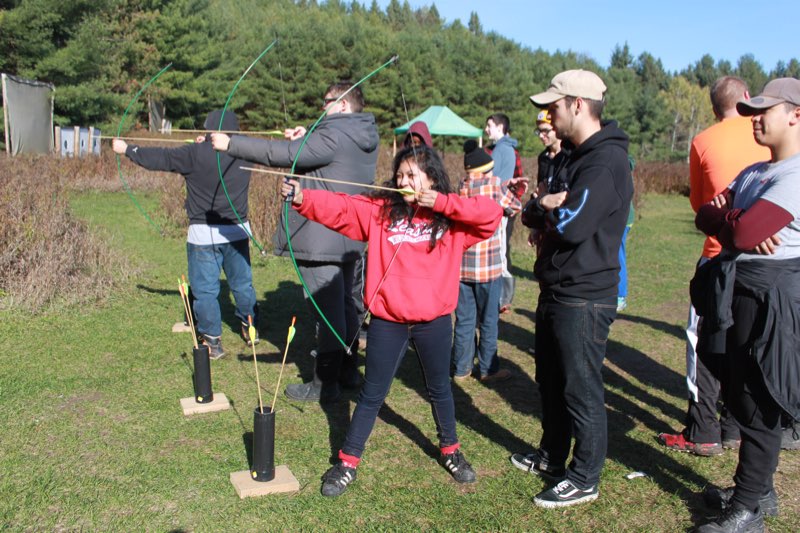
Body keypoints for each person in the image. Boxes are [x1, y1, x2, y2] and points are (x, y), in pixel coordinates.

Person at [279, 145, 503, 497]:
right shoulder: (382, 211)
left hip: (434, 321)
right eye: (400, 175)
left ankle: (451, 451)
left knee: (440, 390)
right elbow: (343, 208)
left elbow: (491, 214)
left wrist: (441, 203)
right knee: (372, 394)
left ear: (431, 178)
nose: (403, 181)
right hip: (388, 320)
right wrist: (302, 196)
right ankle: (348, 461)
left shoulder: (451, 220)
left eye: (412, 174)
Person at [212, 81, 378, 403]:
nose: (321, 108)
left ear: (343, 105)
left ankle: (323, 385)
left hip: (322, 239)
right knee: (345, 307)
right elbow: (326, 162)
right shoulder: (363, 134)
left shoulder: (334, 134)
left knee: (330, 315)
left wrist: (230, 143)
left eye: (326, 102)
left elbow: (281, 154)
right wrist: (307, 139)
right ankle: (346, 371)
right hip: (348, 235)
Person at [515, 69, 633, 508]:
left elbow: (572, 223)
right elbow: (538, 209)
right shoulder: (575, 156)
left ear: (578, 105)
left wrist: (548, 205)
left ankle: (585, 476)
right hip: (556, 286)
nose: (549, 114)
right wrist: (546, 203)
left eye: (555, 106)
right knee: (550, 379)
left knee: (579, 386)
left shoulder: (604, 161)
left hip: (584, 294)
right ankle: (552, 455)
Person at [692, 77, 800, 533]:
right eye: (751, 111)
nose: (754, 119)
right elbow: (704, 215)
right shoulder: (756, 172)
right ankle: (756, 491)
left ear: (795, 114)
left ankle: (748, 511)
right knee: (737, 393)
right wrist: (733, 218)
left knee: (758, 401)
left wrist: (731, 219)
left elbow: (741, 234)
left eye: (764, 111)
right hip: (738, 288)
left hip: (771, 295)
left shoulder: (795, 175)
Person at [658, 77, 770, 457]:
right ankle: (735, 425)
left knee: (702, 338)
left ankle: (703, 428)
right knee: (746, 340)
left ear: (712, 107)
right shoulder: (769, 134)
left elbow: (701, 206)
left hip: (717, 252)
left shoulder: (703, 141)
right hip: (768, 260)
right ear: (749, 100)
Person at [112, 110, 258, 360]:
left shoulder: (194, 153)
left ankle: (212, 341)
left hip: (203, 235)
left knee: (205, 290)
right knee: (242, 284)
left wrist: (127, 148)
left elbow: (159, 157)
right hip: (237, 231)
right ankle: (250, 328)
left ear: (208, 130)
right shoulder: (246, 151)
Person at [452, 140, 526, 383]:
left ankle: (462, 368)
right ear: (488, 168)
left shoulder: (461, 187)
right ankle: (488, 369)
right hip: (488, 268)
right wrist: (509, 189)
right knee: (489, 321)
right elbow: (514, 207)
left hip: (462, 268)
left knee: (464, 320)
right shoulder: (495, 186)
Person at [485, 113, 519, 313]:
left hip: (497, 207)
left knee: (499, 252)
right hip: (501, 207)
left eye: (489, 126)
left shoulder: (500, 150)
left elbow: (493, 180)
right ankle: (502, 296)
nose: (487, 130)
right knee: (501, 250)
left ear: (500, 127)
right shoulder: (507, 149)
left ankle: (503, 297)